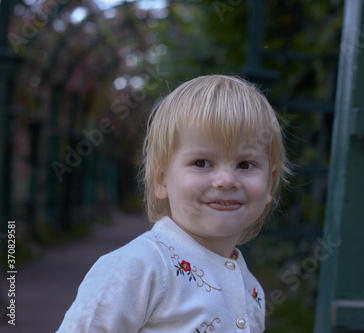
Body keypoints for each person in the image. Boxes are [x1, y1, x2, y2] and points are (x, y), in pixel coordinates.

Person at [57, 75, 291, 332]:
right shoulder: (138, 268)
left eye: (245, 164)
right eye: (201, 163)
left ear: (270, 182)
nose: (226, 180)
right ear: (162, 179)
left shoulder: (251, 289)